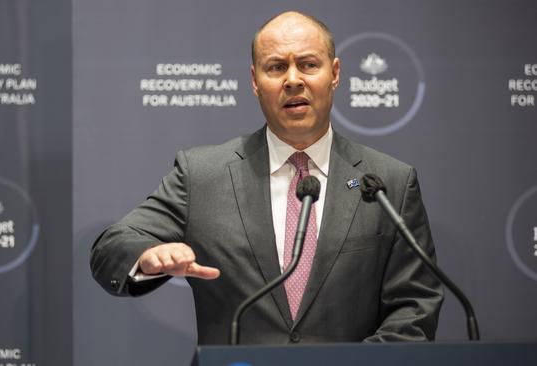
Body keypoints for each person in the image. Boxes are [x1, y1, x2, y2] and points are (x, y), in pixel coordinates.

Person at [90, 10, 443, 344]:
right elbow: (112, 246)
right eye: (276, 67)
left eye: (308, 64)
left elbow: (415, 306)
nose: (293, 80)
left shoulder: (389, 182)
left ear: (334, 73)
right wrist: (149, 256)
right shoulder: (202, 176)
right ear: (255, 81)